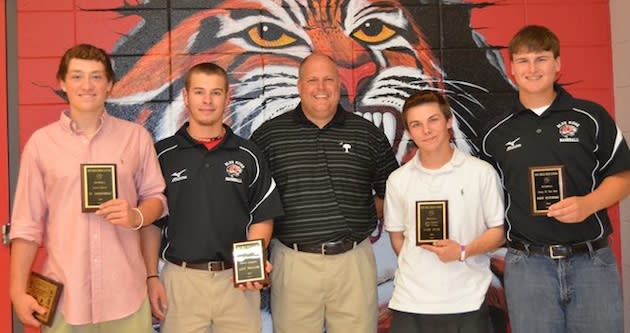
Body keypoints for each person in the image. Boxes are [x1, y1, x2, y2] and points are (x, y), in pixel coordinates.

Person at [481, 25, 630, 332]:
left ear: (558, 64)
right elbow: (484, 197)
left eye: (541, 59)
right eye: (523, 60)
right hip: (528, 266)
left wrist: (589, 204)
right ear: (511, 68)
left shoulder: (591, 117)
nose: (532, 68)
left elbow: (623, 175)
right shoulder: (495, 133)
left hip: (591, 263)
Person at [9, 44, 166, 332]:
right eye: (77, 76)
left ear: (109, 85)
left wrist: (137, 216)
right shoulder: (41, 145)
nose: (87, 85)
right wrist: (18, 292)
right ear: (62, 83)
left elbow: (156, 199)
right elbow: (25, 225)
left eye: (96, 77)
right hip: (66, 299)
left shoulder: (136, 138)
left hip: (127, 296)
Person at [249, 53, 399, 333]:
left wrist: (359, 213)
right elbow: (252, 205)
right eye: (312, 80)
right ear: (299, 85)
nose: (321, 87)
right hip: (294, 263)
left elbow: (393, 192)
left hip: (353, 262)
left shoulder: (366, 133)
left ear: (339, 84)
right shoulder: (269, 136)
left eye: (329, 79)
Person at [140, 62, 284, 333]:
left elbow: (262, 216)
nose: (207, 101)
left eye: (216, 92)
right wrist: (150, 276)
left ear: (228, 97)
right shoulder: (162, 154)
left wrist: (252, 264)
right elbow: (151, 225)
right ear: (186, 96)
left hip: (236, 281)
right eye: (199, 92)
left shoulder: (248, 154)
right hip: (181, 281)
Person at [383, 91, 505, 332]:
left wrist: (461, 251)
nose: (426, 130)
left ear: (448, 122)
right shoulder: (398, 180)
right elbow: (397, 238)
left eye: (433, 120)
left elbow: (498, 233)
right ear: (408, 131)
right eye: (416, 124)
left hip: (467, 301)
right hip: (411, 303)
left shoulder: (481, 173)